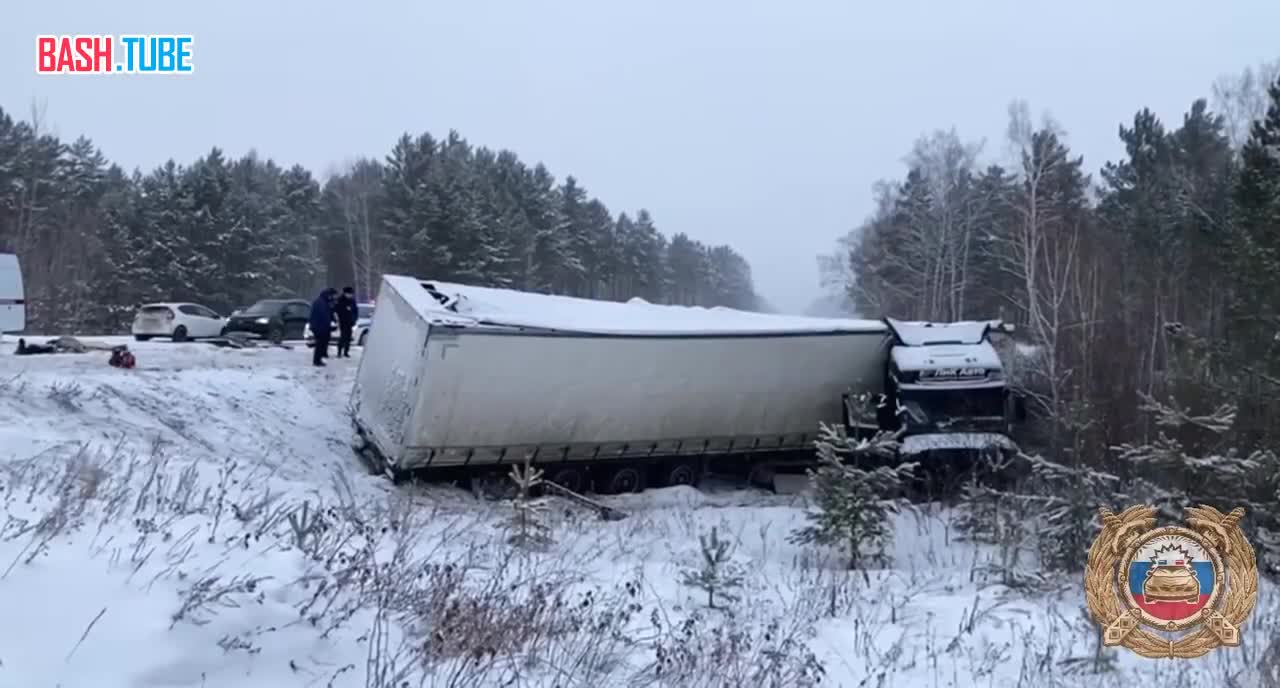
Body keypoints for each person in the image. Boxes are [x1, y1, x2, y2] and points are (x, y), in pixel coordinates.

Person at [309, 288, 337, 367]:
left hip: (320, 326)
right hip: (319, 326)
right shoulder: (320, 302)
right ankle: (317, 361)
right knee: (319, 344)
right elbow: (323, 315)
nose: (333, 297)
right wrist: (329, 324)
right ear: (328, 295)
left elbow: (329, 313)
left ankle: (318, 359)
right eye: (332, 296)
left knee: (321, 343)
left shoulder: (323, 302)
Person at [335, 286, 358, 358]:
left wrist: (354, 319)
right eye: (349, 294)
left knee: (348, 337)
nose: (351, 295)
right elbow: (338, 310)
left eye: (351, 294)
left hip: (350, 322)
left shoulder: (352, 301)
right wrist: (346, 311)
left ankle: (346, 352)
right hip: (343, 321)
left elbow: (355, 311)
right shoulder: (340, 300)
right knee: (343, 337)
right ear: (345, 293)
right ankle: (339, 352)